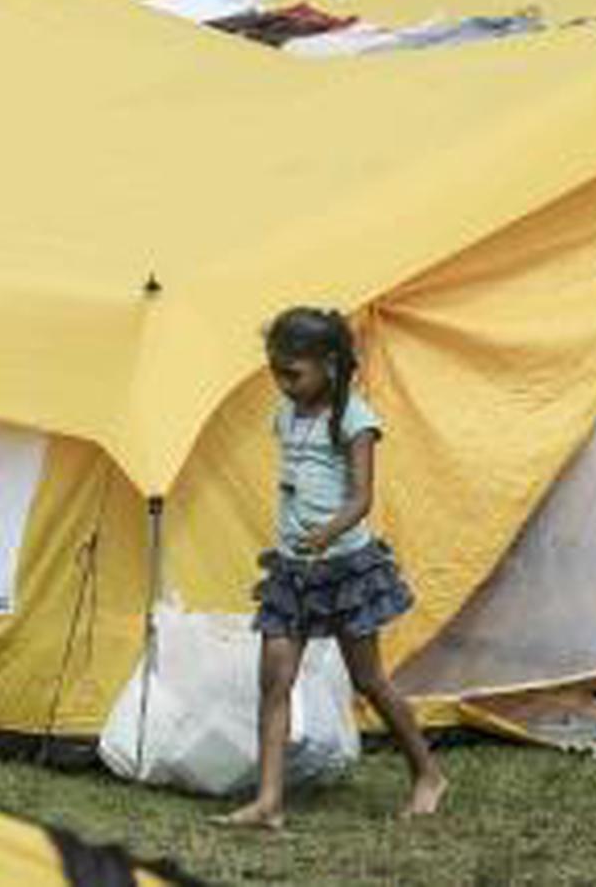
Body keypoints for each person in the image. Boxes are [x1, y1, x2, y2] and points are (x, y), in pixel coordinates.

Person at [215, 306, 446, 830]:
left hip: (342, 570)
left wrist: (327, 533)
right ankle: (268, 801)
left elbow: (362, 498)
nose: (284, 383)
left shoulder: (355, 418)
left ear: (332, 365)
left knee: (368, 680)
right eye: (276, 371)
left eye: (293, 373)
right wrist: (298, 539)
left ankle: (427, 772)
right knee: (275, 680)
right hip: (292, 570)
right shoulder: (286, 413)